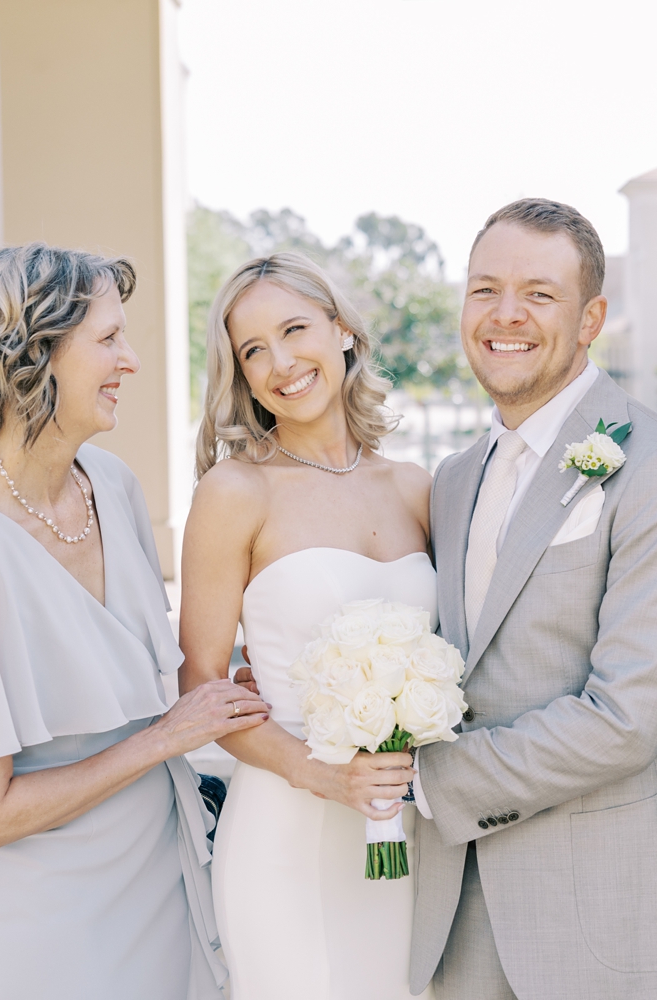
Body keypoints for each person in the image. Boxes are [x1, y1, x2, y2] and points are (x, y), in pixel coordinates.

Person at [0, 244, 268, 1000]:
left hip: (164, 873)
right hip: (50, 915)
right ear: (34, 356)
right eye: (107, 339)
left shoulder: (115, 487)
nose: (129, 360)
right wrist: (164, 737)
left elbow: (150, 678)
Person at [410, 199, 657, 1000]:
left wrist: (426, 781)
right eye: (485, 290)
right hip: (464, 922)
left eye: (538, 294)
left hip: (617, 928)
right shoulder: (451, 481)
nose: (505, 315)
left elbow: (625, 719)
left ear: (592, 318)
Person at [179, 252, 434, 999]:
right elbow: (200, 683)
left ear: (344, 332)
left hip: (402, 830)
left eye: (295, 330)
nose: (280, 363)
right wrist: (316, 771)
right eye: (253, 350)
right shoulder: (235, 492)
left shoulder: (417, 488)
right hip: (285, 826)